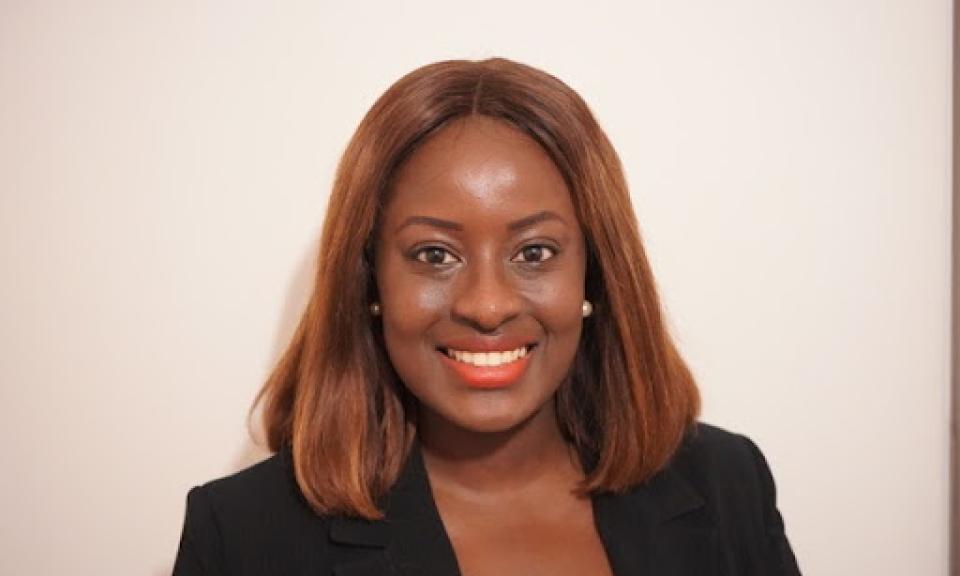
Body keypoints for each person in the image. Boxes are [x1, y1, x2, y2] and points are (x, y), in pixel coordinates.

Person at [172, 58, 801, 575]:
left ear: (594, 272)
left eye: (534, 252)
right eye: (434, 255)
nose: (487, 305)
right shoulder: (241, 537)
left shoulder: (728, 483)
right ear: (370, 281)